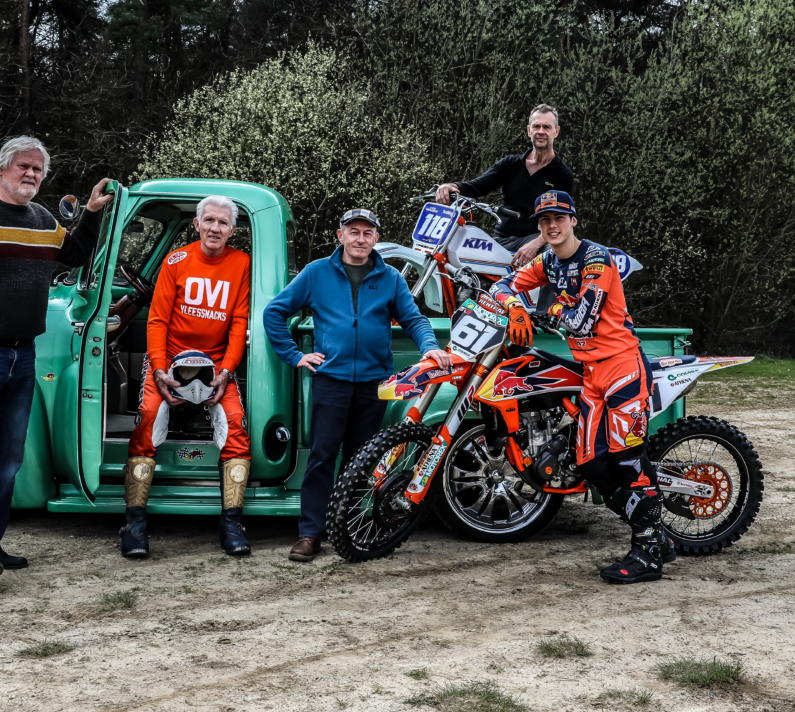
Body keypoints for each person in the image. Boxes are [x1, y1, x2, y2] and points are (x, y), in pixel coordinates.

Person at [0, 136, 113, 586]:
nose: (31, 174)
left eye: (38, 169)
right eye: (23, 166)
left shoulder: (42, 219)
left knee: (8, 458)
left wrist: (91, 212)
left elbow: (74, 254)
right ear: (1, 170)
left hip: (22, 354)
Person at [489, 190, 673, 584]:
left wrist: (544, 307)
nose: (551, 226)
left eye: (559, 218)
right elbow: (502, 285)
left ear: (573, 220)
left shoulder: (595, 259)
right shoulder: (548, 261)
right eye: (544, 221)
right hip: (591, 373)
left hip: (623, 368)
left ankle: (648, 552)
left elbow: (581, 321)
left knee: (628, 461)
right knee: (589, 464)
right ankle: (655, 534)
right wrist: (514, 306)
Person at [263, 208, 452, 562]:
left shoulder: (390, 278)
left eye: (367, 233)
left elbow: (413, 319)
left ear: (376, 238)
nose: (360, 239)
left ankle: (349, 528)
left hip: (373, 384)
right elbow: (274, 312)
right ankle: (310, 533)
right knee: (322, 457)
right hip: (330, 381)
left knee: (361, 459)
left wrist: (429, 346)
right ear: (341, 236)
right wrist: (294, 355)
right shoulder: (316, 272)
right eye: (354, 231)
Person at [120, 195, 253, 559]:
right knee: (148, 417)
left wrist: (227, 370)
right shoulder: (176, 260)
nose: (215, 228)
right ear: (197, 224)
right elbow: (157, 320)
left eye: (222, 222)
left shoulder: (241, 263)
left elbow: (239, 321)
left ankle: (231, 523)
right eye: (209, 220)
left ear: (232, 230)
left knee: (236, 425)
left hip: (216, 365)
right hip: (169, 361)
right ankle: (134, 523)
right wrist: (159, 369)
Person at [434, 103, 573, 268]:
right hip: (501, 239)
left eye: (546, 127)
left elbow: (561, 221)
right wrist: (452, 186)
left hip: (536, 239)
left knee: (556, 250)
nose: (541, 131)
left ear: (556, 131)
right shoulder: (510, 164)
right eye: (536, 126)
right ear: (529, 130)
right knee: (460, 263)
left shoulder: (562, 174)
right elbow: (477, 186)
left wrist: (535, 244)